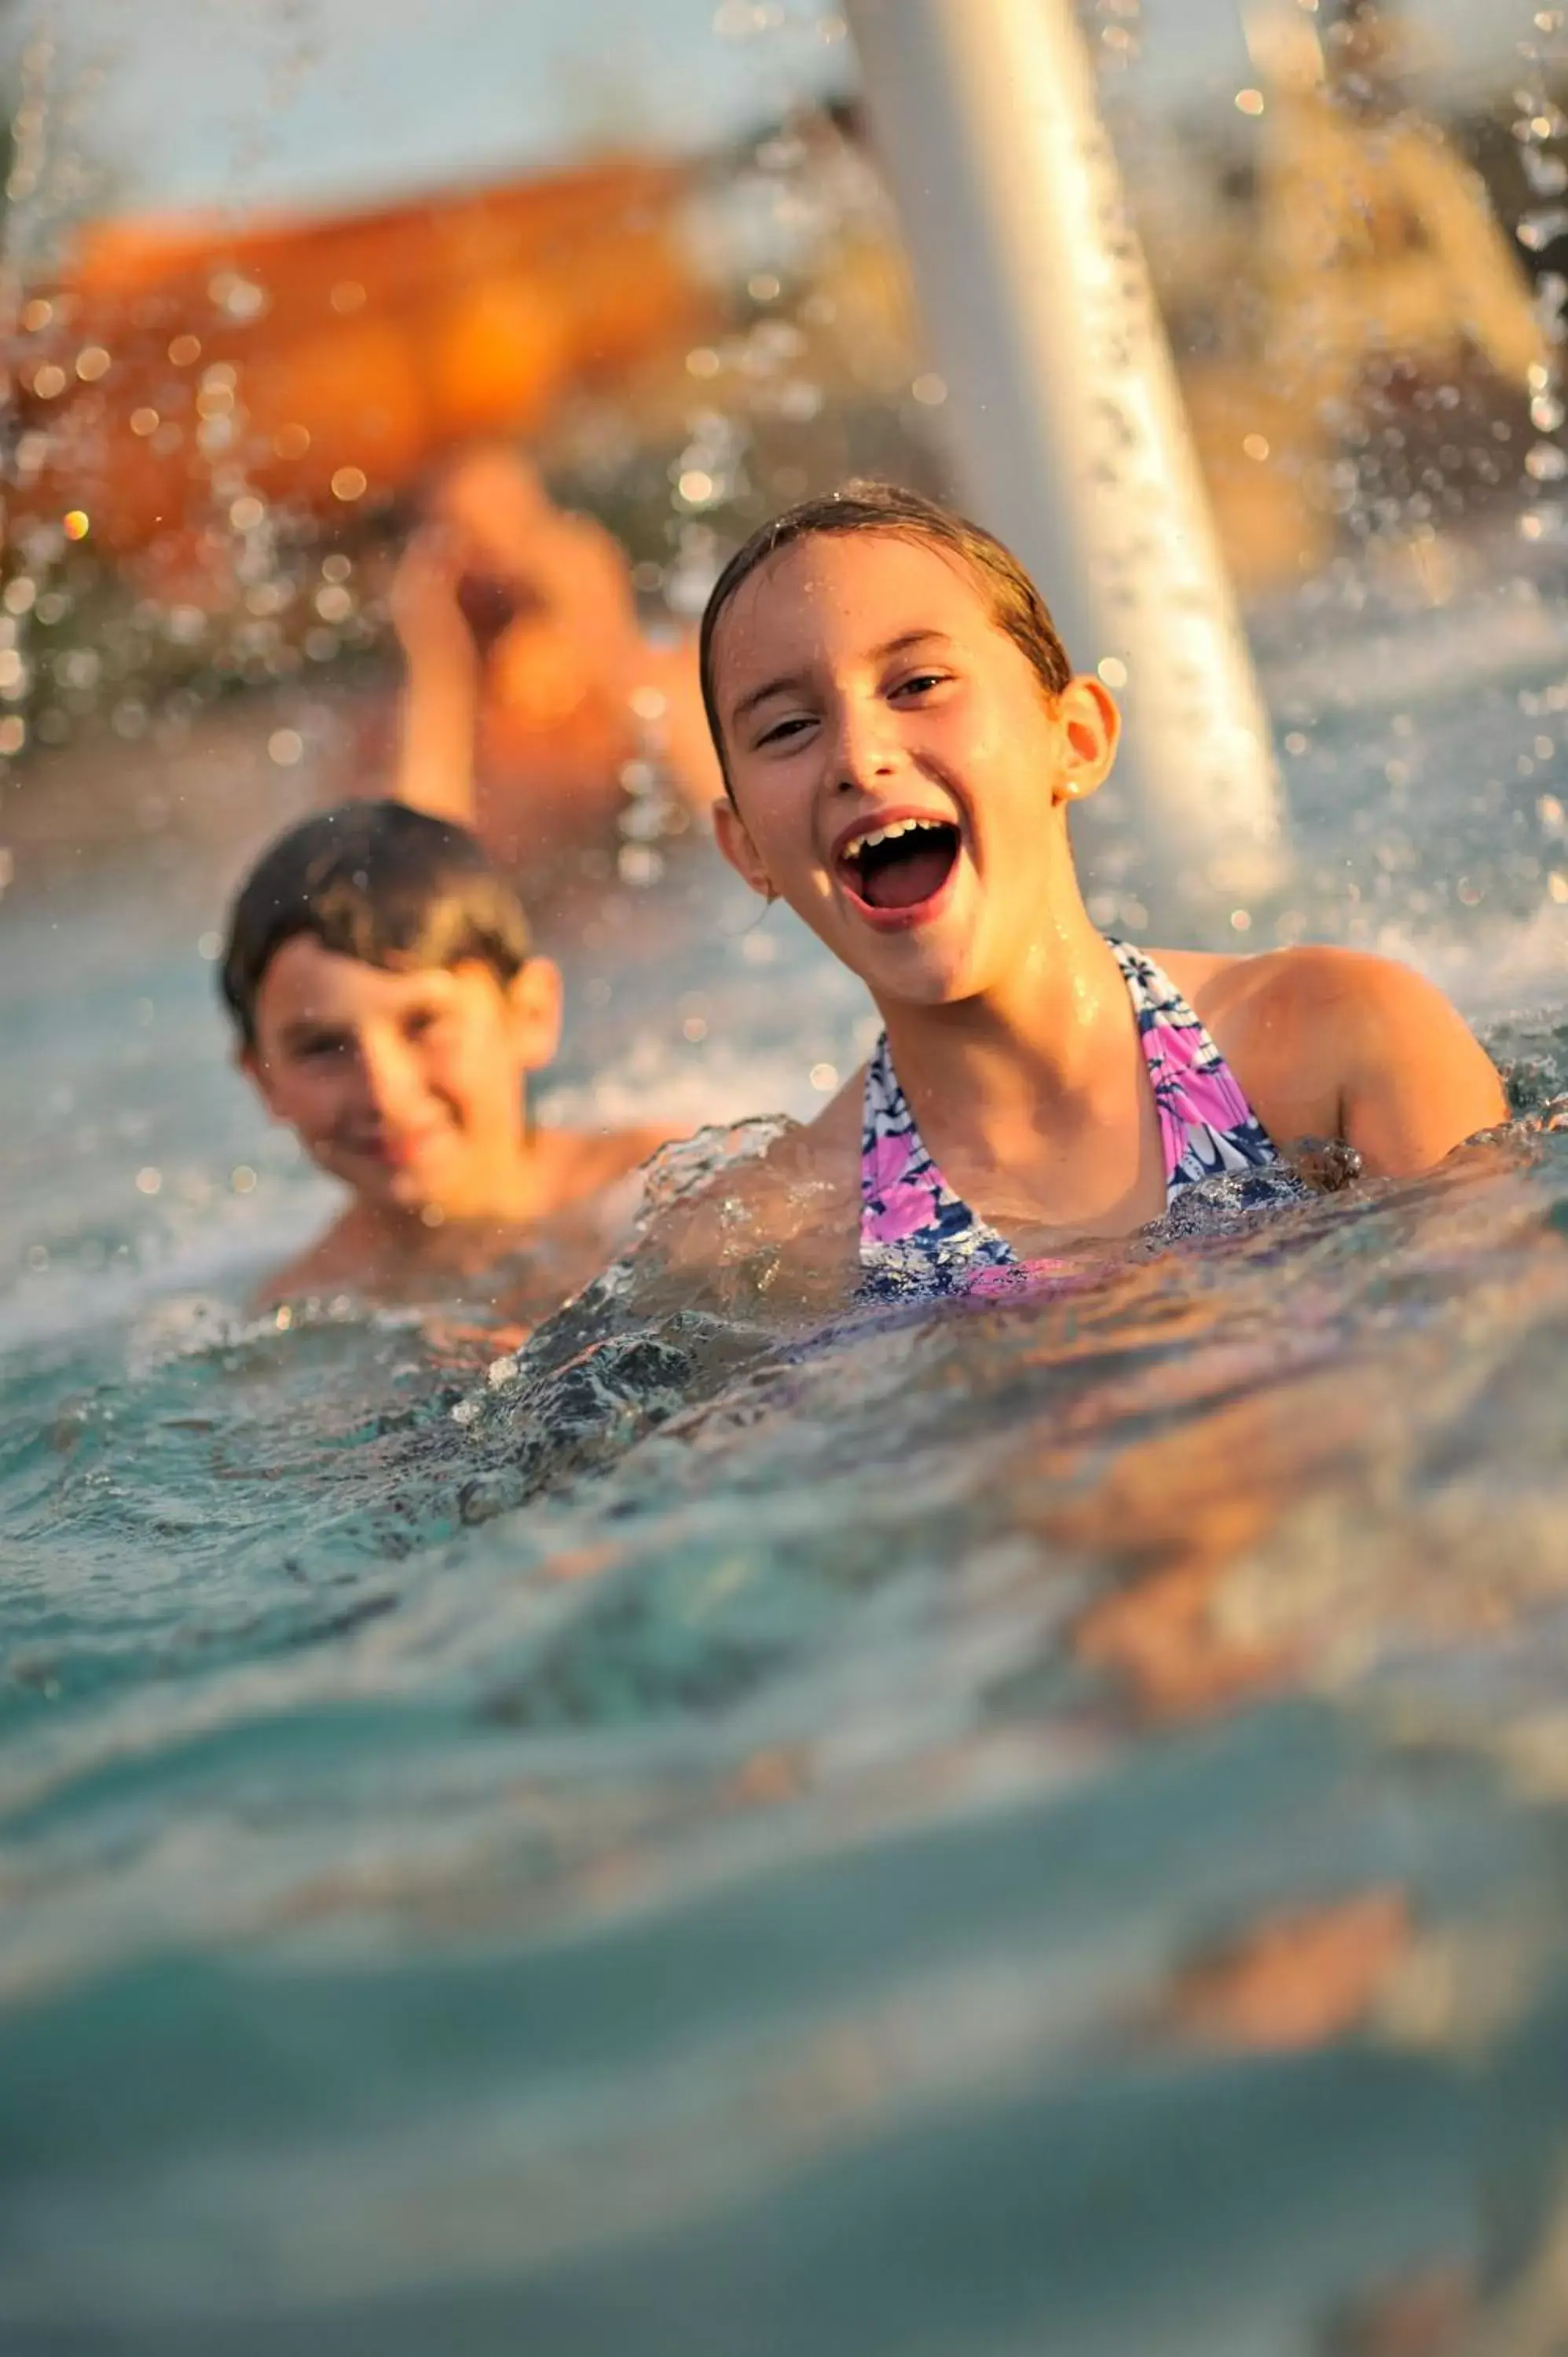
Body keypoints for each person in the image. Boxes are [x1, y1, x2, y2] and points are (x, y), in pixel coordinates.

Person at [632, 480, 1507, 1318]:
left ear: (1076, 740)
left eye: (918, 685)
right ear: (748, 850)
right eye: (788, 728)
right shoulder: (769, 1246)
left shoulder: (1336, 1046)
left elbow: (1505, 1378)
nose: (858, 756)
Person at [220, 800, 672, 1316]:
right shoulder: (296, 1313)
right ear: (264, 1081)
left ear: (529, 1015)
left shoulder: (666, 1193)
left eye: (424, 1025)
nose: (384, 1093)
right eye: (322, 1048)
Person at [389, 444, 721, 874]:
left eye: (520, 526)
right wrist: (439, 674)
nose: (498, 560)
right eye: (462, 543)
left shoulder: (658, 683)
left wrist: (607, 636)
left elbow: (729, 816)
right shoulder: (439, 732)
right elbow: (421, 870)